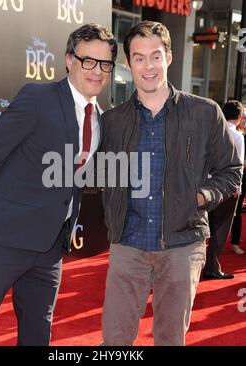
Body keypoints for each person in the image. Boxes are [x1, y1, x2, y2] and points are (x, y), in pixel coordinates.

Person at [0, 23, 117, 346]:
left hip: (50, 246)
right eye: (88, 61)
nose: (97, 71)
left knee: (39, 333)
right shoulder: (38, 97)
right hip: (3, 239)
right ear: (69, 60)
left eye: (105, 64)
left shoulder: (99, 119)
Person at [99, 20, 242, 346]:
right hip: (127, 245)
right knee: (115, 340)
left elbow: (231, 169)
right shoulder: (112, 122)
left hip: (182, 246)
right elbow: (95, 174)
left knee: (169, 338)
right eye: (139, 57)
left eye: (155, 56)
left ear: (169, 57)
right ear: (127, 62)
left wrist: (204, 196)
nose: (148, 66)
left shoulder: (204, 113)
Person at [203, 100, 245, 279]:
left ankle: (202, 264)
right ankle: (212, 267)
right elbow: (239, 165)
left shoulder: (211, 130)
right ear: (239, 116)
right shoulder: (237, 136)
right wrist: (238, 187)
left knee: (207, 227)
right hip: (227, 187)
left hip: (207, 185)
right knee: (220, 229)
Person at [231, 107, 246, 255]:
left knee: (237, 212)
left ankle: (235, 242)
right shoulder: (238, 136)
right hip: (235, 178)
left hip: (240, 178)